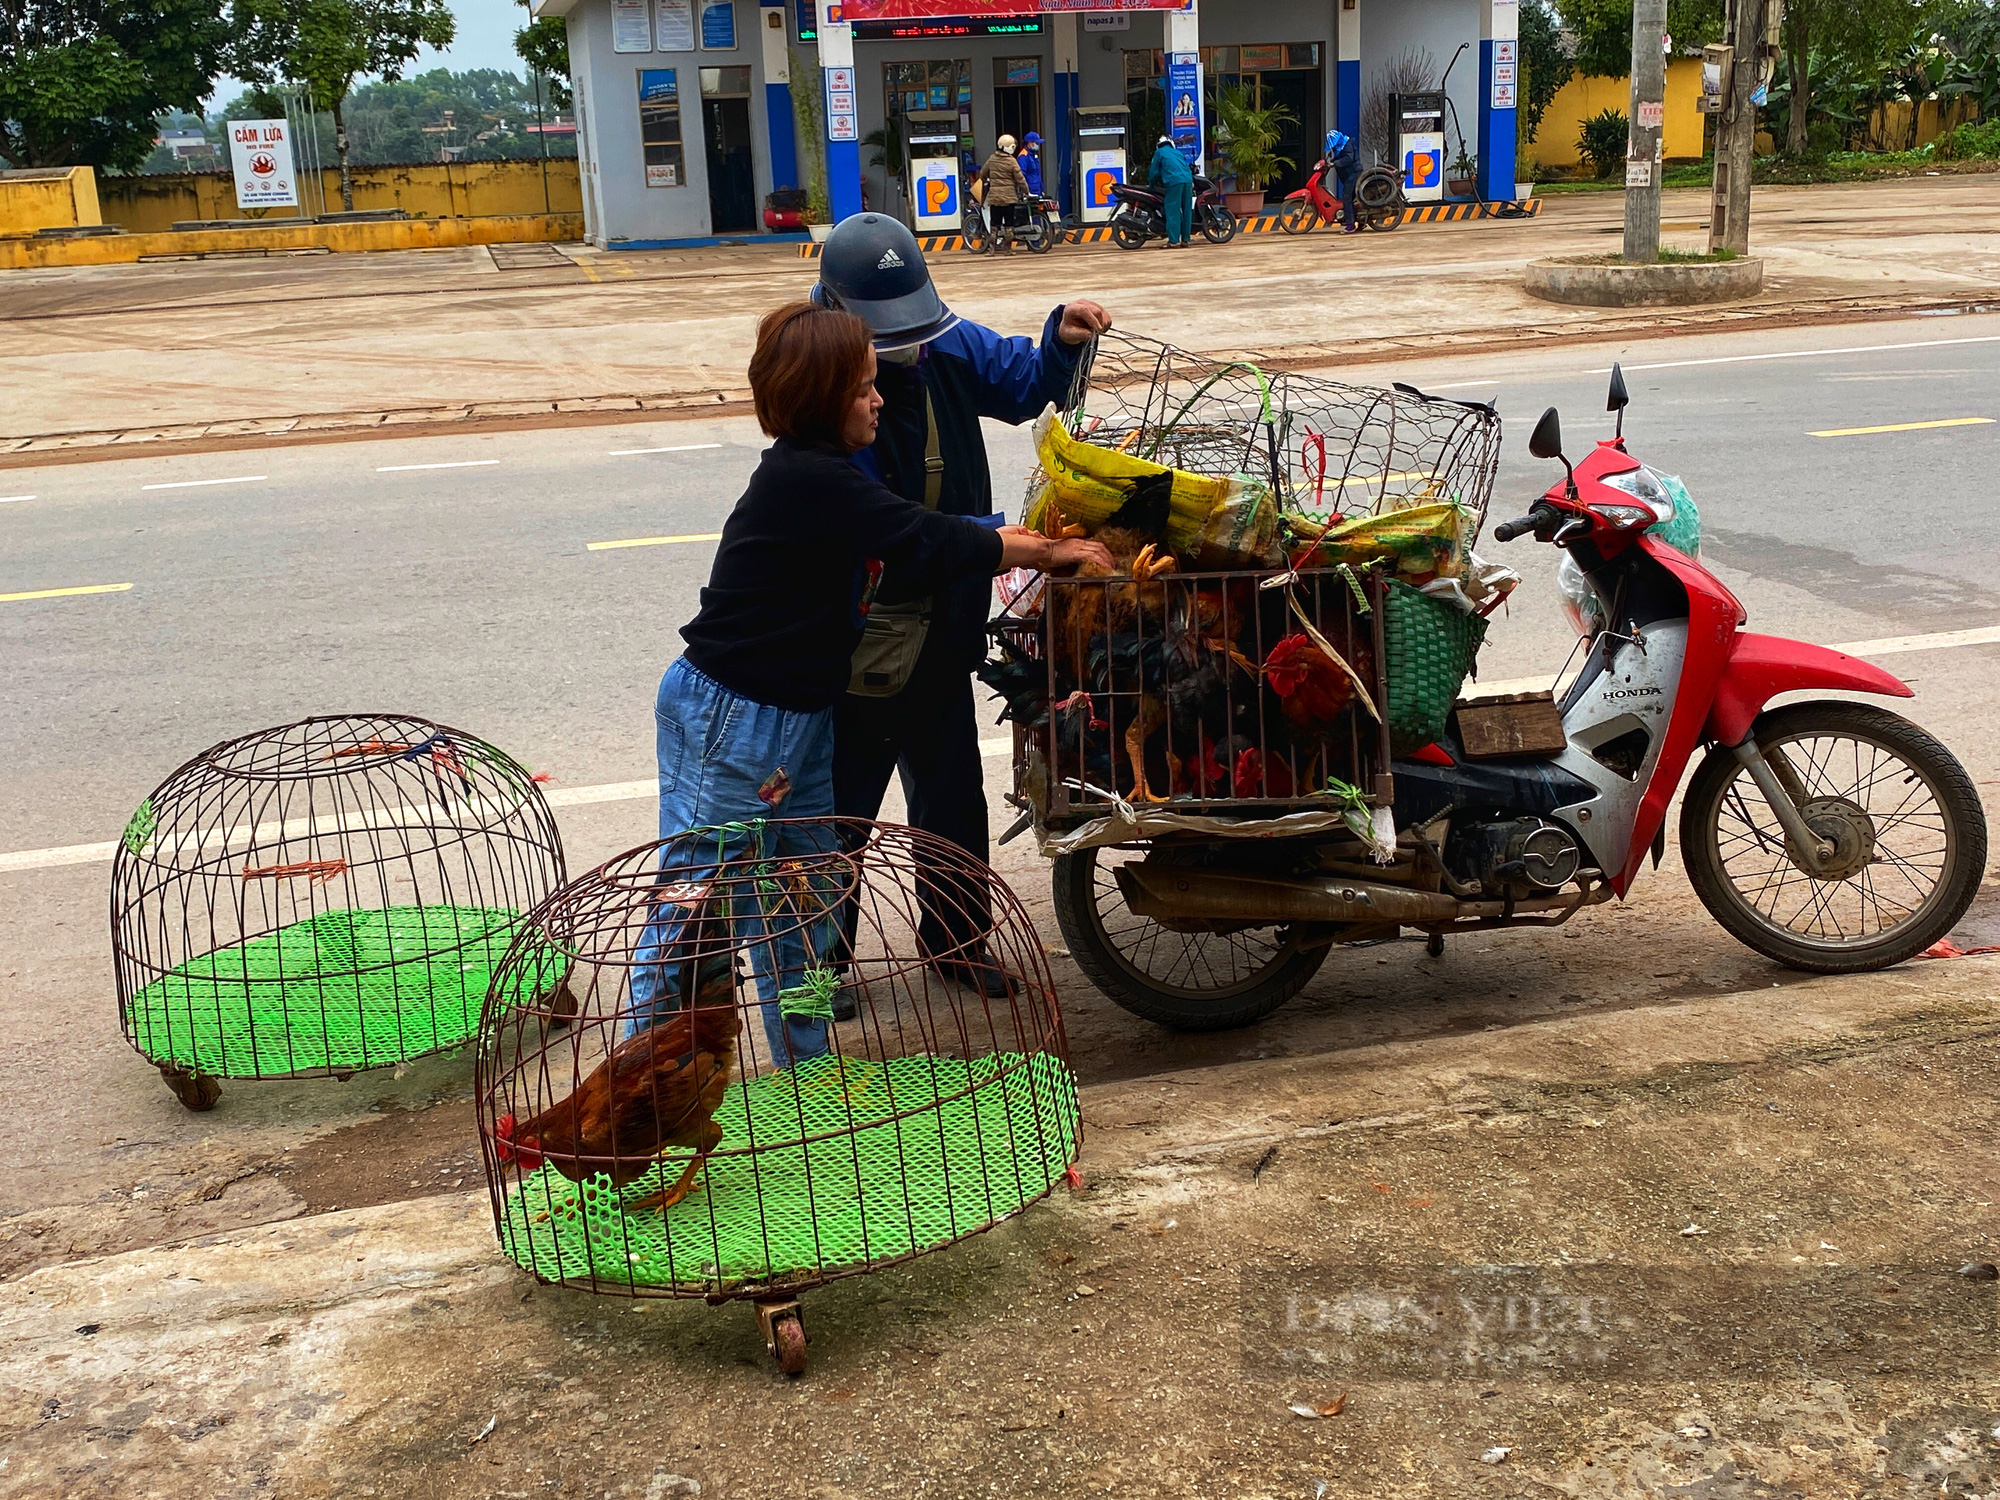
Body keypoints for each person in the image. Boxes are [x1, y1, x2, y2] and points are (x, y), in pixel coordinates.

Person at [628, 300, 1111, 1063]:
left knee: (806, 901)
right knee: (696, 910)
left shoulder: (831, 476)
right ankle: (644, 1088)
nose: (879, 396)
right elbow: (922, 535)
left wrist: (1024, 540)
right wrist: (1045, 552)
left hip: (800, 719)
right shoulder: (807, 477)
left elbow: (930, 531)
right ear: (823, 400)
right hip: (730, 716)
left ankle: (806, 1066)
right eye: (861, 388)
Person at [810, 214, 1113, 1003]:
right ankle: (817, 960)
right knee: (844, 799)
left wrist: (1063, 342)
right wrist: (1006, 540)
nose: (902, 348)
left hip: (946, 615)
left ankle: (956, 938)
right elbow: (886, 528)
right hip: (865, 628)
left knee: (949, 790)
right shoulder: (822, 386)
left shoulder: (944, 344)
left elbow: (1019, 380)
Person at [980, 134, 1032, 248]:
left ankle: (992, 249)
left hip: (995, 198)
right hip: (1009, 198)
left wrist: (987, 180)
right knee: (1009, 224)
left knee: (994, 224)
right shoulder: (1012, 161)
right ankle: (1008, 249)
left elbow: (982, 174)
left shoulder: (992, 159)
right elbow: (1020, 179)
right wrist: (1026, 191)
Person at [1148, 132, 1195, 248]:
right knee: (1187, 210)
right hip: (1188, 181)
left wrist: (1151, 186)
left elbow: (1153, 172)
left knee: (1172, 210)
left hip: (1174, 182)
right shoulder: (1178, 153)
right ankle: (1185, 240)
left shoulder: (1159, 153)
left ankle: (1173, 240)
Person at [1324, 125, 1361, 233]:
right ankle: (1358, 221)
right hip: (1348, 174)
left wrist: (1334, 163)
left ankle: (1350, 225)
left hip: (1353, 173)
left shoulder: (1347, 145)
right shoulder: (1340, 147)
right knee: (1352, 198)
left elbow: (1348, 159)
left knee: (1347, 197)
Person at [1019, 131, 1045, 198]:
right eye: (1036, 143)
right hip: (1030, 190)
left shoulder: (1034, 155)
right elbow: (1021, 175)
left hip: (1037, 190)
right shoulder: (1023, 156)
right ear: (1030, 143)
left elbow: (1037, 174)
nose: (1038, 145)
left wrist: (1041, 189)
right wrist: (1025, 191)